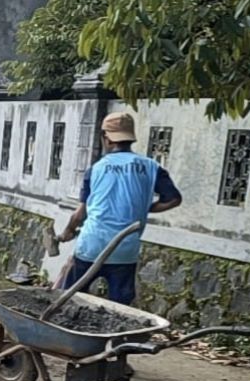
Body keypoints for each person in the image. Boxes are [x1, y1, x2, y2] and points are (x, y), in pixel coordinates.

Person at [58, 112, 182, 305]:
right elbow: (174, 199)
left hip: (91, 245)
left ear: (106, 139)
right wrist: (143, 208)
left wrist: (68, 231)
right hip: (125, 248)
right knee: (119, 308)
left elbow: (80, 213)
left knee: (70, 300)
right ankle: (114, 335)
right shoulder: (151, 167)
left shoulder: (96, 169)